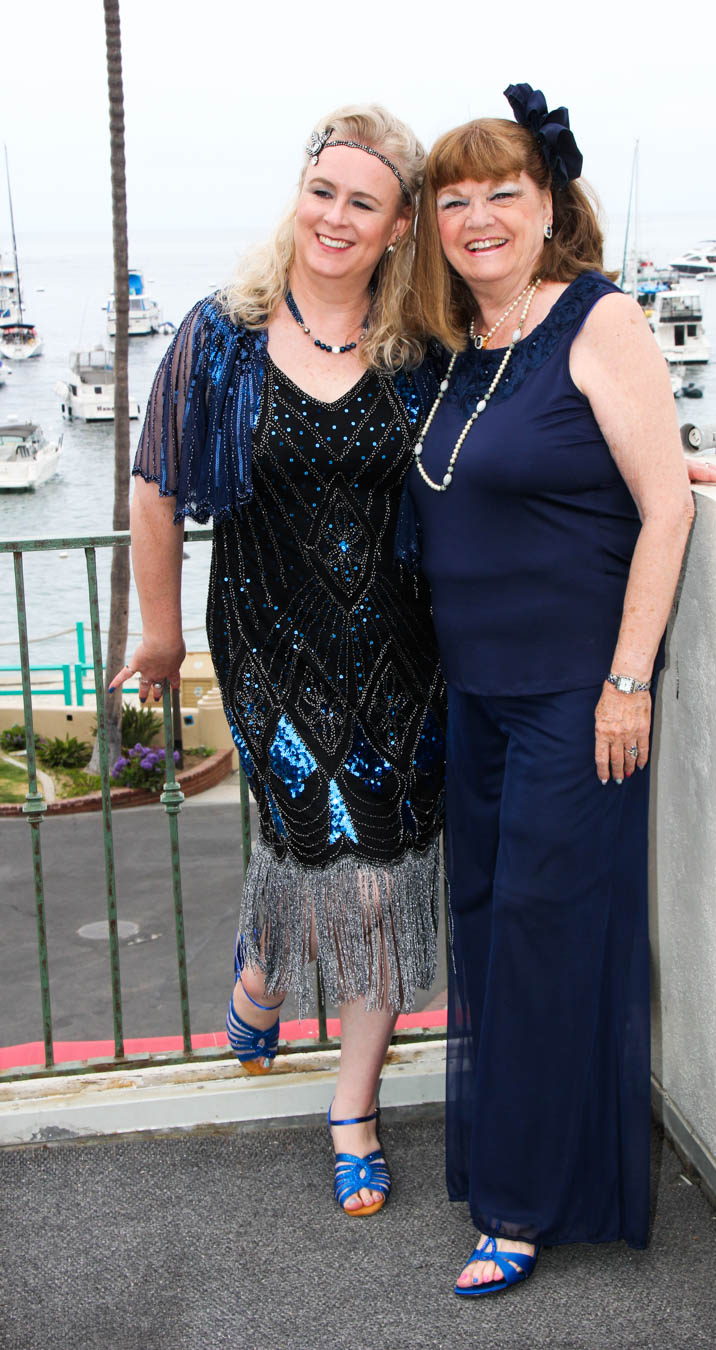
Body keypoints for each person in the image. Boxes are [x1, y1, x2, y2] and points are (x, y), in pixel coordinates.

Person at [405, 84, 716, 1294]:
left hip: (573, 699)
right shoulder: (460, 350)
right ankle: (522, 1162)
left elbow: (665, 509)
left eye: (506, 191)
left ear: (551, 204)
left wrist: (626, 681)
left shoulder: (598, 320)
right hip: (477, 699)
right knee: (496, 937)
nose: (481, 216)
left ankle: (521, 1205)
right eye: (456, 199)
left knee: (551, 942)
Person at [111, 105, 446, 1218]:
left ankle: (351, 1107)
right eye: (323, 192)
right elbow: (155, 487)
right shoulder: (222, 331)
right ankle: (264, 967)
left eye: (364, 201)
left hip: (405, 657)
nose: (335, 217)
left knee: (383, 871)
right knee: (323, 846)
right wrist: (156, 637)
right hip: (266, 646)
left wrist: (663, 463)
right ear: (298, 195)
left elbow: (526, 429)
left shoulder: (422, 346)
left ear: (400, 226)